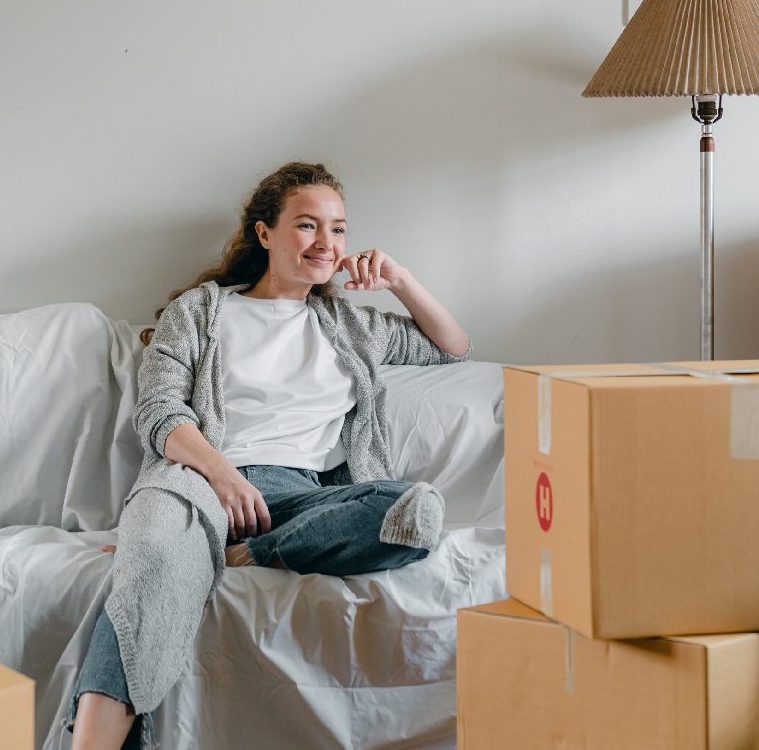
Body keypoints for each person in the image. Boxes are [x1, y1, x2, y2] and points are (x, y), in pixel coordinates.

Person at [64, 161, 471, 749]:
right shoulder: (201, 312)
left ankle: (239, 555)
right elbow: (158, 412)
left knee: (417, 510)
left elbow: (453, 347)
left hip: (306, 498)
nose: (325, 244)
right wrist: (223, 474)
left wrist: (400, 280)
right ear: (264, 233)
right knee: (150, 555)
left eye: (338, 230)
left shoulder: (352, 326)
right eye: (307, 225)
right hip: (196, 479)